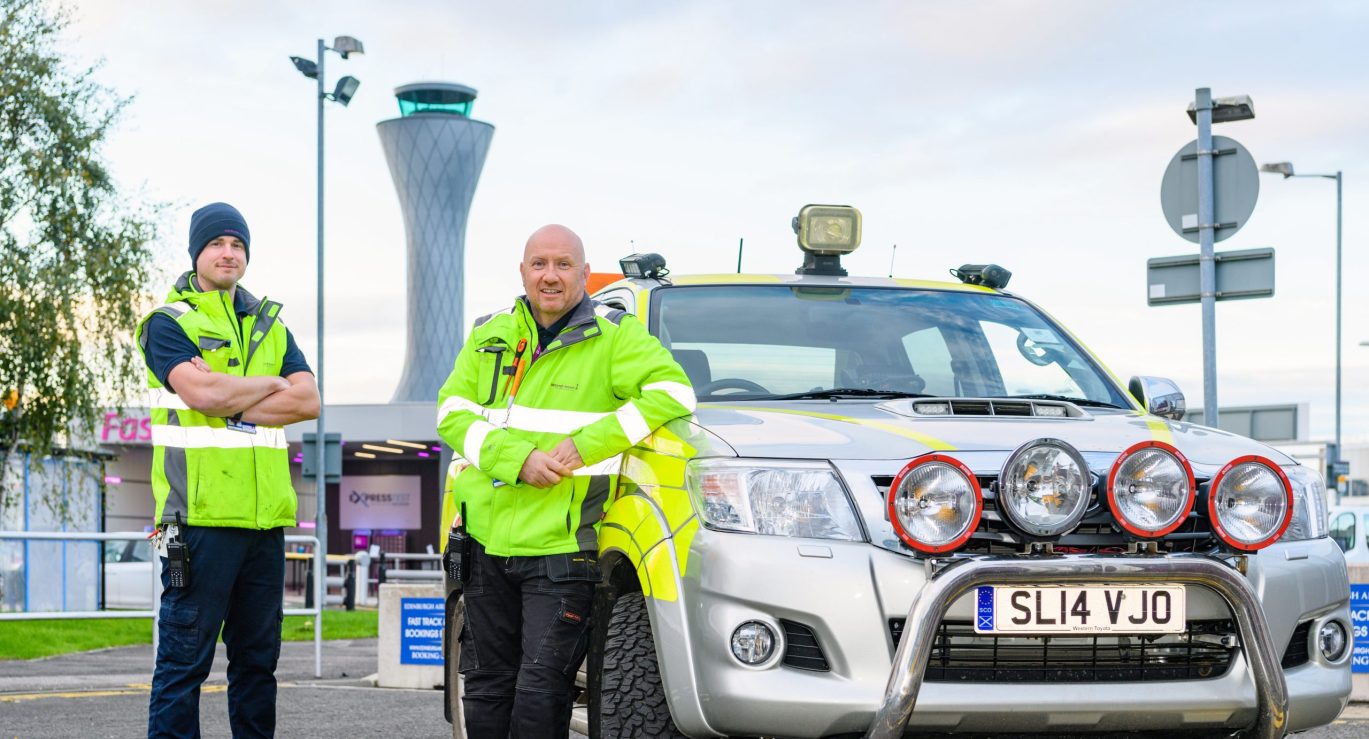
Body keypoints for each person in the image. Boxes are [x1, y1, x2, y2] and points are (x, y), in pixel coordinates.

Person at [436, 224, 695, 737]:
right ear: (523, 271)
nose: (549, 276)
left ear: (582, 272)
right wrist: (518, 460)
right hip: (486, 544)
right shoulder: (491, 334)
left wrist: (583, 446)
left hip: (562, 547)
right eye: (539, 264)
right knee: (486, 689)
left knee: (541, 692)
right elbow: (451, 412)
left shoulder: (615, 336)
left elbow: (673, 392)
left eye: (562, 265)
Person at [135, 202, 319, 739]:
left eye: (237, 244)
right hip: (200, 521)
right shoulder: (168, 324)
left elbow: (308, 401)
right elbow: (202, 393)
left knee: (257, 667)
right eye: (217, 243)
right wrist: (268, 386)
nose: (228, 253)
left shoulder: (271, 326)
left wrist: (228, 399)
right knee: (183, 666)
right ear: (197, 253)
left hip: (263, 526)